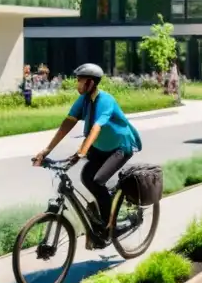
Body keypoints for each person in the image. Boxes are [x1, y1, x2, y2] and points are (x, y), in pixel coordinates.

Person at [33, 63, 141, 230]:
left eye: (80, 81)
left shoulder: (106, 100)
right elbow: (67, 124)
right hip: (100, 147)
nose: (77, 84)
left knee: (97, 181)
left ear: (90, 83)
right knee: (86, 178)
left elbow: (96, 128)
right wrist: (46, 150)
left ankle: (111, 226)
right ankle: (107, 201)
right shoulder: (83, 101)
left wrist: (80, 153)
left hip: (120, 146)